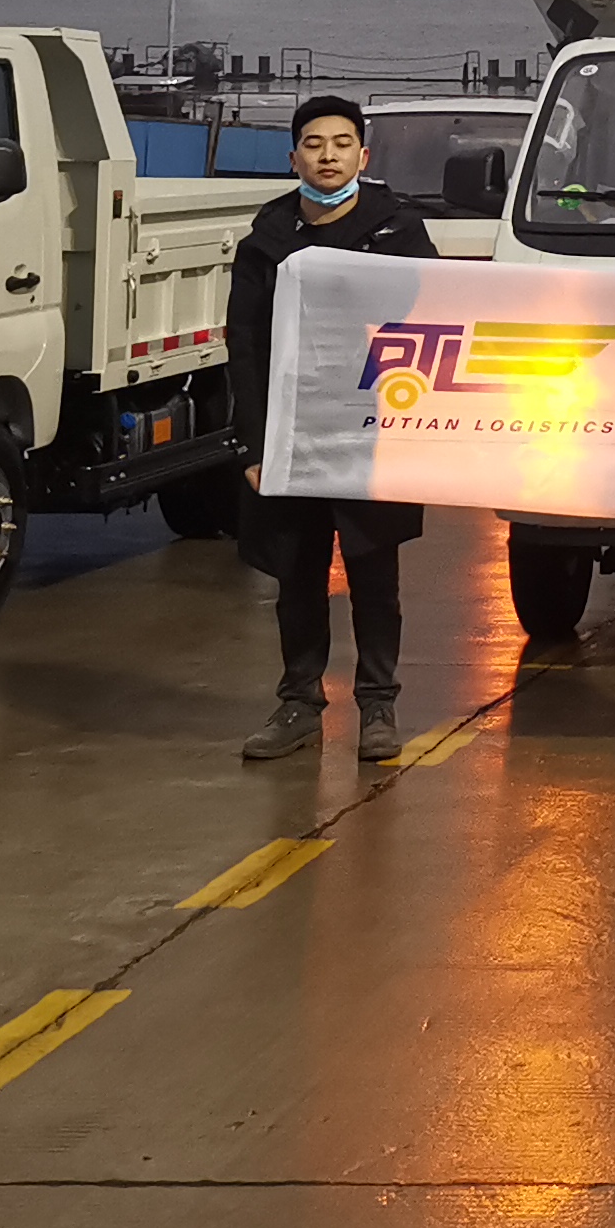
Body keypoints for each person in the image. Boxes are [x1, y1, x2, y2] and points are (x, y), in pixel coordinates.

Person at [230, 95, 440, 765]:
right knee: (298, 572)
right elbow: (245, 345)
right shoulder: (266, 239)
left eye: (342, 143)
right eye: (314, 144)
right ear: (294, 157)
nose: (328, 156)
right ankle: (299, 703)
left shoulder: (398, 232)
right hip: (294, 432)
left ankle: (377, 706)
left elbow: (428, 325)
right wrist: (256, 444)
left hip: (368, 429)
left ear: (363, 155)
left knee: (374, 571)